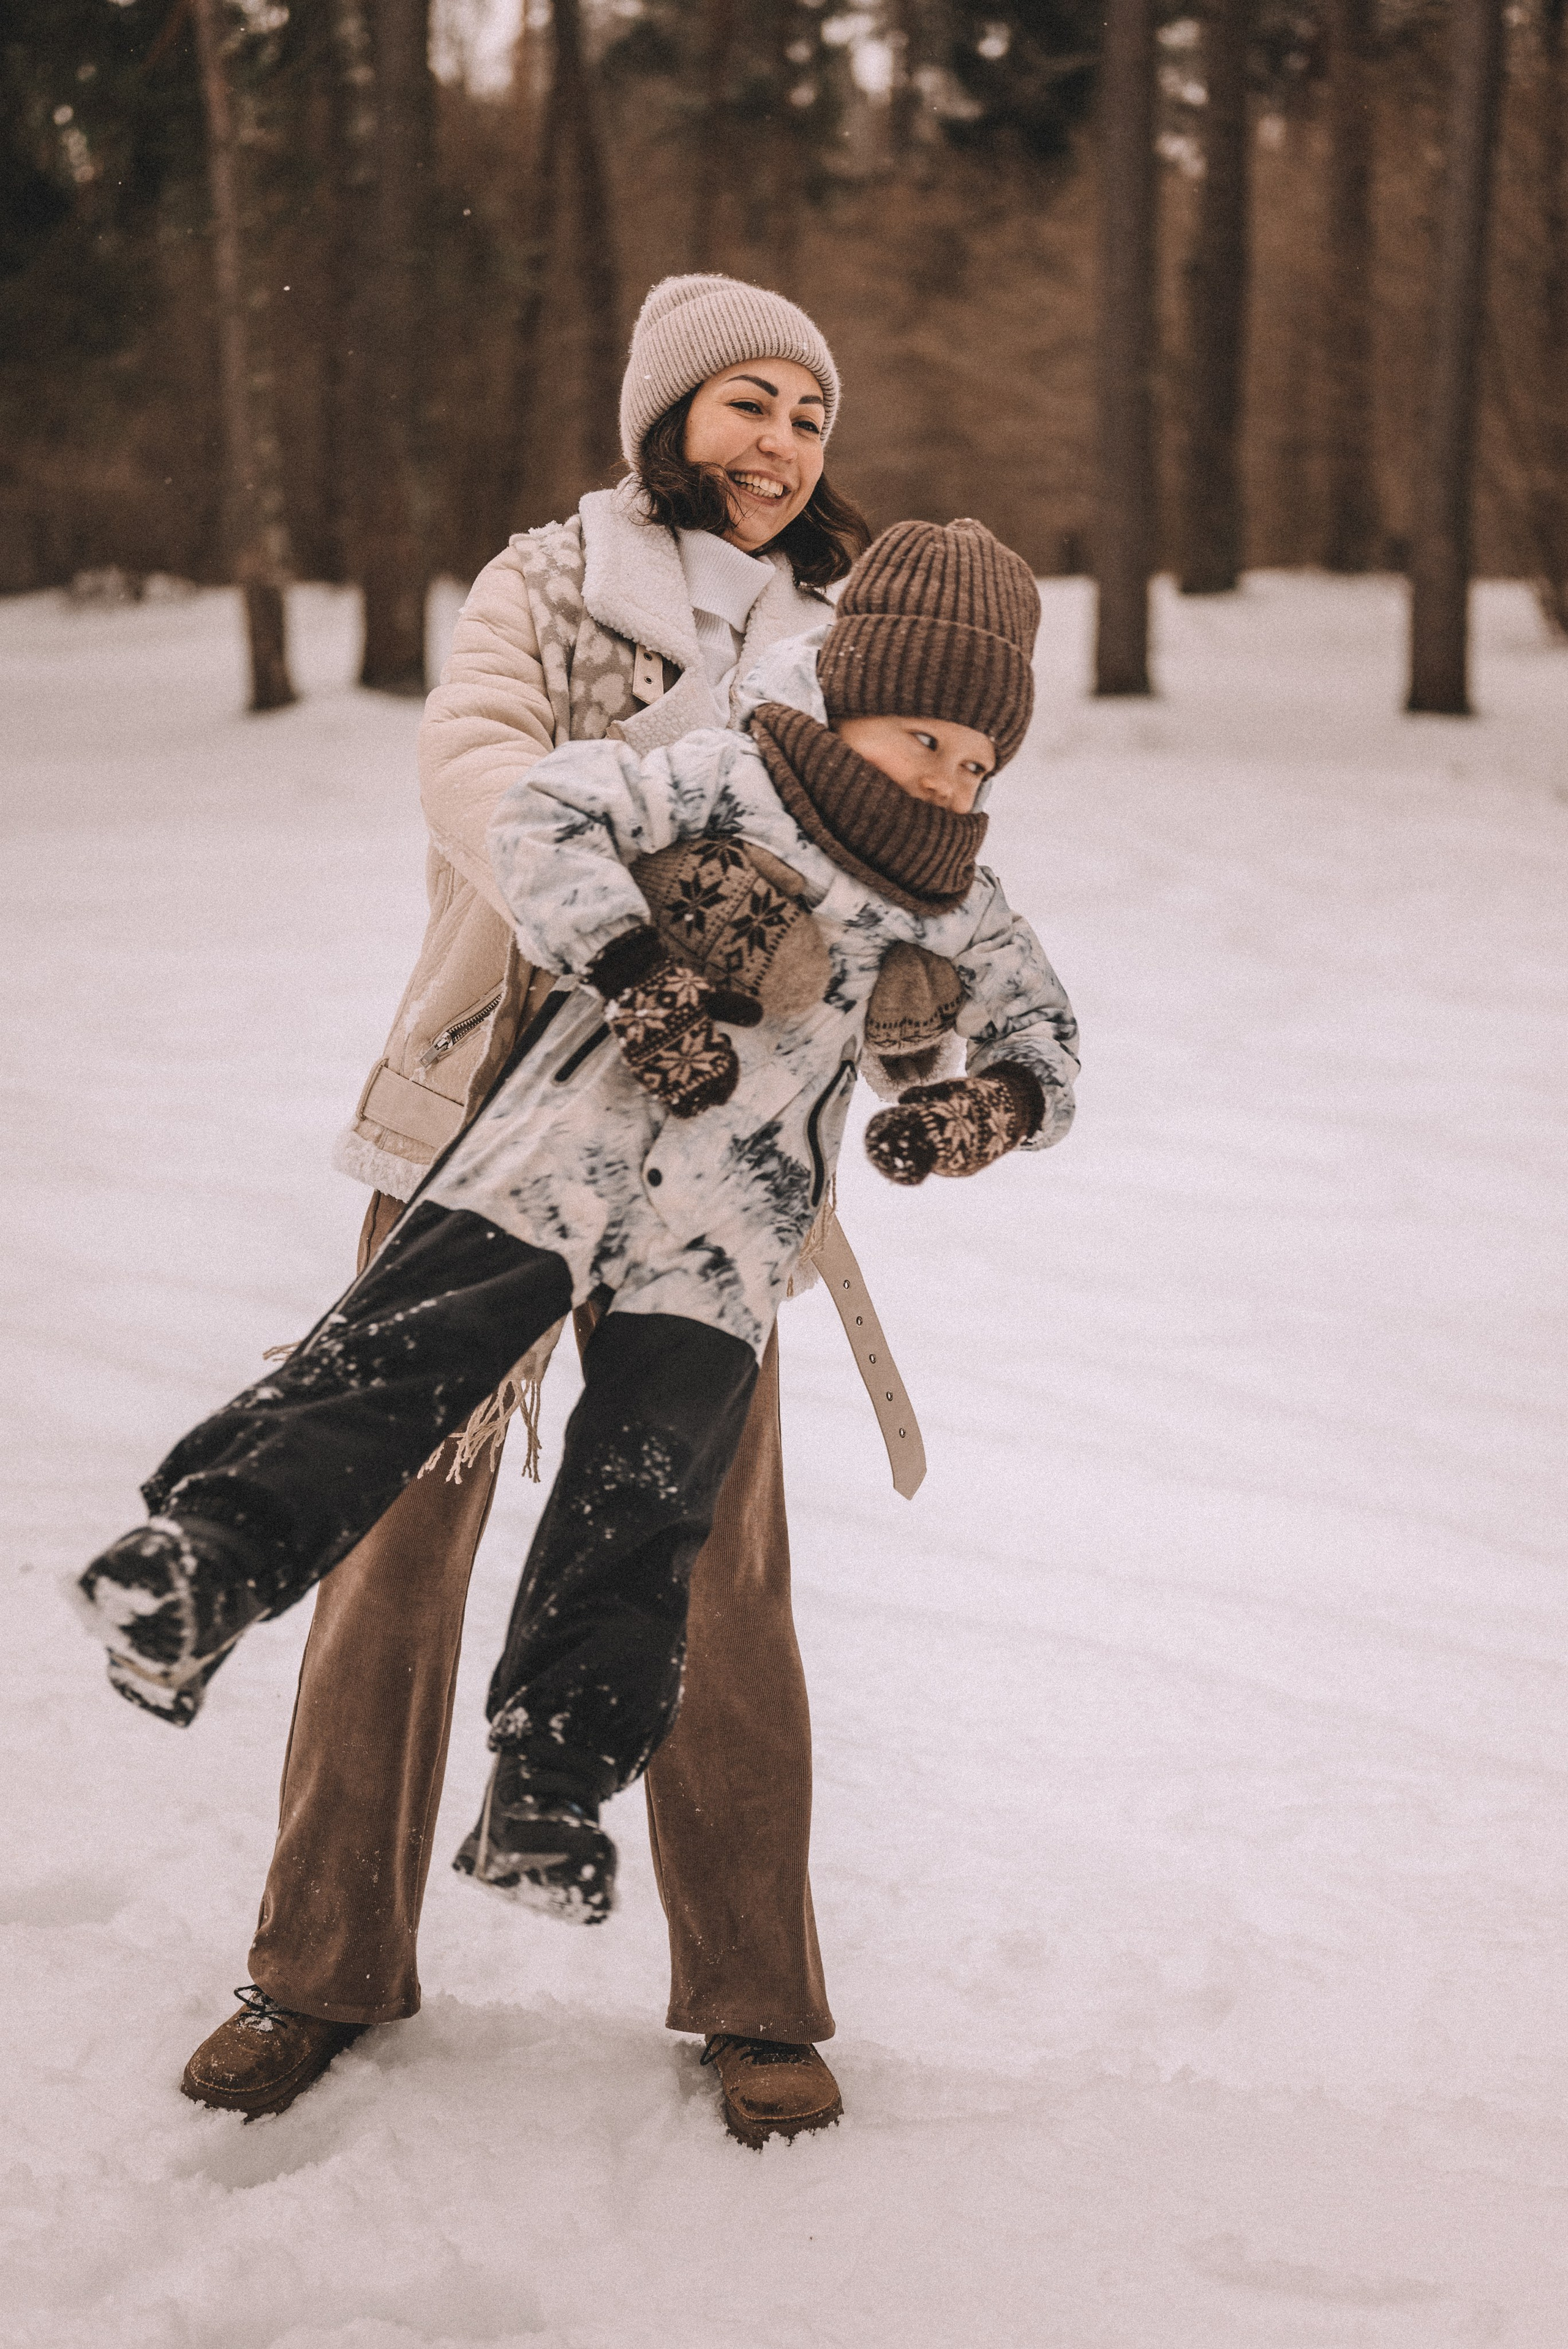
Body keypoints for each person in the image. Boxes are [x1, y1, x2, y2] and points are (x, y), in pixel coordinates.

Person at [76, 516, 1080, 2148]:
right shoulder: (597, 631)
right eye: (748, 402)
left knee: (669, 1537)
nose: (956, 780)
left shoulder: (921, 819)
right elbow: (510, 796)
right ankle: (239, 1701)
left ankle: (619, 1856)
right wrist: (642, 957)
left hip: (715, 1237)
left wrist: (974, 1095)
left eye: (984, 759)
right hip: (514, 1144)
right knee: (390, 1453)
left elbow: (1025, 1018)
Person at [159, 276, 876, 2145]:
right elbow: (472, 767)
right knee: (395, 1534)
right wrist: (643, 912)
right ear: (668, 417)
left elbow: (899, 844)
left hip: (713, 1144)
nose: (782, 441)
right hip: (489, 1109)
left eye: (810, 414)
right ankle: (319, 1964)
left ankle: (757, 1994)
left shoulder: (846, 632)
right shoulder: (551, 581)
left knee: (711, 1559)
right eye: (749, 401)